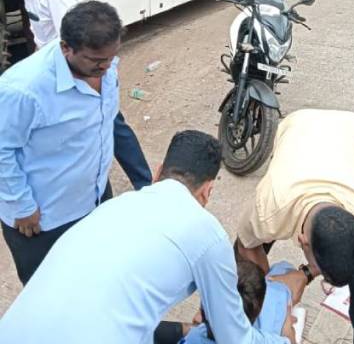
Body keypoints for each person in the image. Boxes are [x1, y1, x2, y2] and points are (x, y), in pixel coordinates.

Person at [0, 131, 292, 344]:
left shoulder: (114, 207)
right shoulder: (206, 233)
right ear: (208, 190)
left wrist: (182, 332)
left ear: (157, 173)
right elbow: (234, 338)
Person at [0, 0, 152, 191]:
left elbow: (76, 39)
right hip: (63, 71)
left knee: (109, 126)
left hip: (76, 74)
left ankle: (143, 183)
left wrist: (89, 84)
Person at [234, 109, 354, 344]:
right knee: (245, 268)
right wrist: (273, 303)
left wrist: (304, 274)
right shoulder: (269, 207)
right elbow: (246, 247)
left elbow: (344, 259)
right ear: (301, 240)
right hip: (298, 127)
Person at [0, 0, 123, 285]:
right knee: (49, 294)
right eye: (96, 61)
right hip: (44, 219)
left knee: (93, 279)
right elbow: (2, 150)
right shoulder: (23, 89)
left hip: (94, 201)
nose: (106, 66)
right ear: (66, 47)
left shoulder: (104, 65)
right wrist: (21, 206)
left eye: (111, 56)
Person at [182, 260, 308, 343]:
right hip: (277, 300)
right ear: (259, 311)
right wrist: (286, 328)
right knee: (283, 268)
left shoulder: (194, 337)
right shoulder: (260, 340)